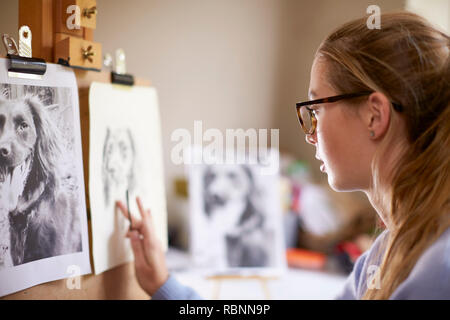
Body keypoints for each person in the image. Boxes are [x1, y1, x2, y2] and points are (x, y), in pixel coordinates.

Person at [116, 11, 450, 300]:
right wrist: (165, 285)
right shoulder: (382, 255)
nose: (310, 132)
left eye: (316, 108)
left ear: (374, 116)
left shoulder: (436, 270)